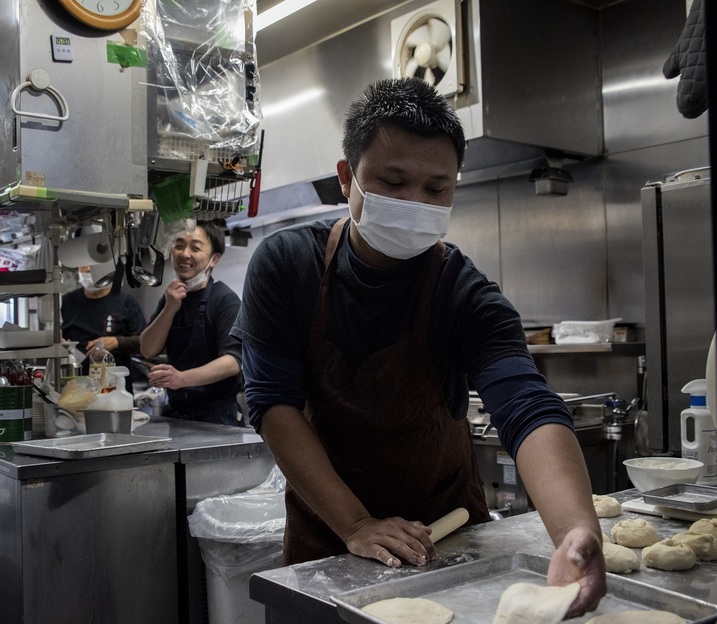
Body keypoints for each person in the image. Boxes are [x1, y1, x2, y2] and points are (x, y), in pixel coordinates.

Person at [231, 77, 606, 617]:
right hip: (329, 535)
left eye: (436, 189)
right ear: (347, 178)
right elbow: (273, 404)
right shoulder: (288, 266)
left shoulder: (463, 292)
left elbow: (526, 405)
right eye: (392, 181)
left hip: (446, 541)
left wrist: (575, 534)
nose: (414, 203)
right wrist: (356, 524)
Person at [139, 220, 244, 426]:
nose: (184, 254)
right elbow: (147, 349)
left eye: (195, 248)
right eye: (179, 246)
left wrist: (181, 379)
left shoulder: (224, 299)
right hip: (177, 412)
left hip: (217, 416)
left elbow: (232, 363)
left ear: (214, 259)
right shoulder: (171, 297)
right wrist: (169, 308)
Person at [60, 263, 147, 391]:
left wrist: (117, 342)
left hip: (114, 389)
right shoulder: (67, 302)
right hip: (77, 388)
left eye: (94, 264)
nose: (89, 269)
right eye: (84, 264)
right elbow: (57, 336)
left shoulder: (125, 302)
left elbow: (145, 343)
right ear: (78, 269)